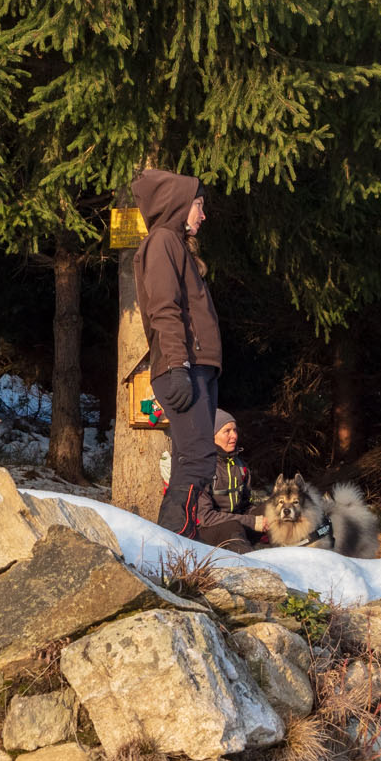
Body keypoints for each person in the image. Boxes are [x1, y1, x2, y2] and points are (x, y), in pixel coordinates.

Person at [132, 167, 223, 538]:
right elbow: (164, 309)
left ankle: (173, 542)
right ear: (179, 204)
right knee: (198, 458)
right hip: (182, 367)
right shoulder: (162, 243)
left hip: (195, 367)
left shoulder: (175, 246)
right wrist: (178, 366)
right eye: (198, 206)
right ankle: (171, 545)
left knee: (196, 458)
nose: (203, 215)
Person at [161, 409, 267, 551]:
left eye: (235, 430)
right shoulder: (203, 469)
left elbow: (246, 506)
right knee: (232, 527)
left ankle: (291, 551)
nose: (234, 436)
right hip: (205, 531)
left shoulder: (240, 467)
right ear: (212, 435)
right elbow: (205, 517)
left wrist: (263, 517)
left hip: (236, 524)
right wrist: (252, 522)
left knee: (271, 509)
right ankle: (252, 563)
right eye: (227, 431)